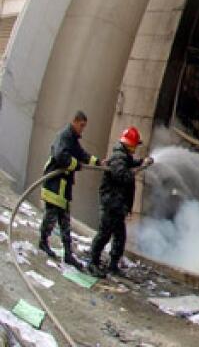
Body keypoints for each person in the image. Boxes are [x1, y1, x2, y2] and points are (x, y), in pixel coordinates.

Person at [39, 111, 102, 269]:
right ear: (74, 121)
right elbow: (61, 156)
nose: (83, 129)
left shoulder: (72, 139)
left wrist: (97, 162)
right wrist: (76, 165)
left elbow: (81, 154)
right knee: (51, 217)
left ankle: (68, 253)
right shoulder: (64, 136)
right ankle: (43, 241)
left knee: (65, 222)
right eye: (81, 125)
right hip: (55, 184)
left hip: (63, 187)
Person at [88, 126, 153, 277]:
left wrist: (142, 162)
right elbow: (122, 176)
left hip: (117, 206)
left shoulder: (124, 156)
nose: (136, 148)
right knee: (104, 234)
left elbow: (129, 164)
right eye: (135, 145)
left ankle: (113, 265)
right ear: (129, 144)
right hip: (111, 204)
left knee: (120, 236)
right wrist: (141, 168)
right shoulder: (118, 156)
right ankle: (92, 263)